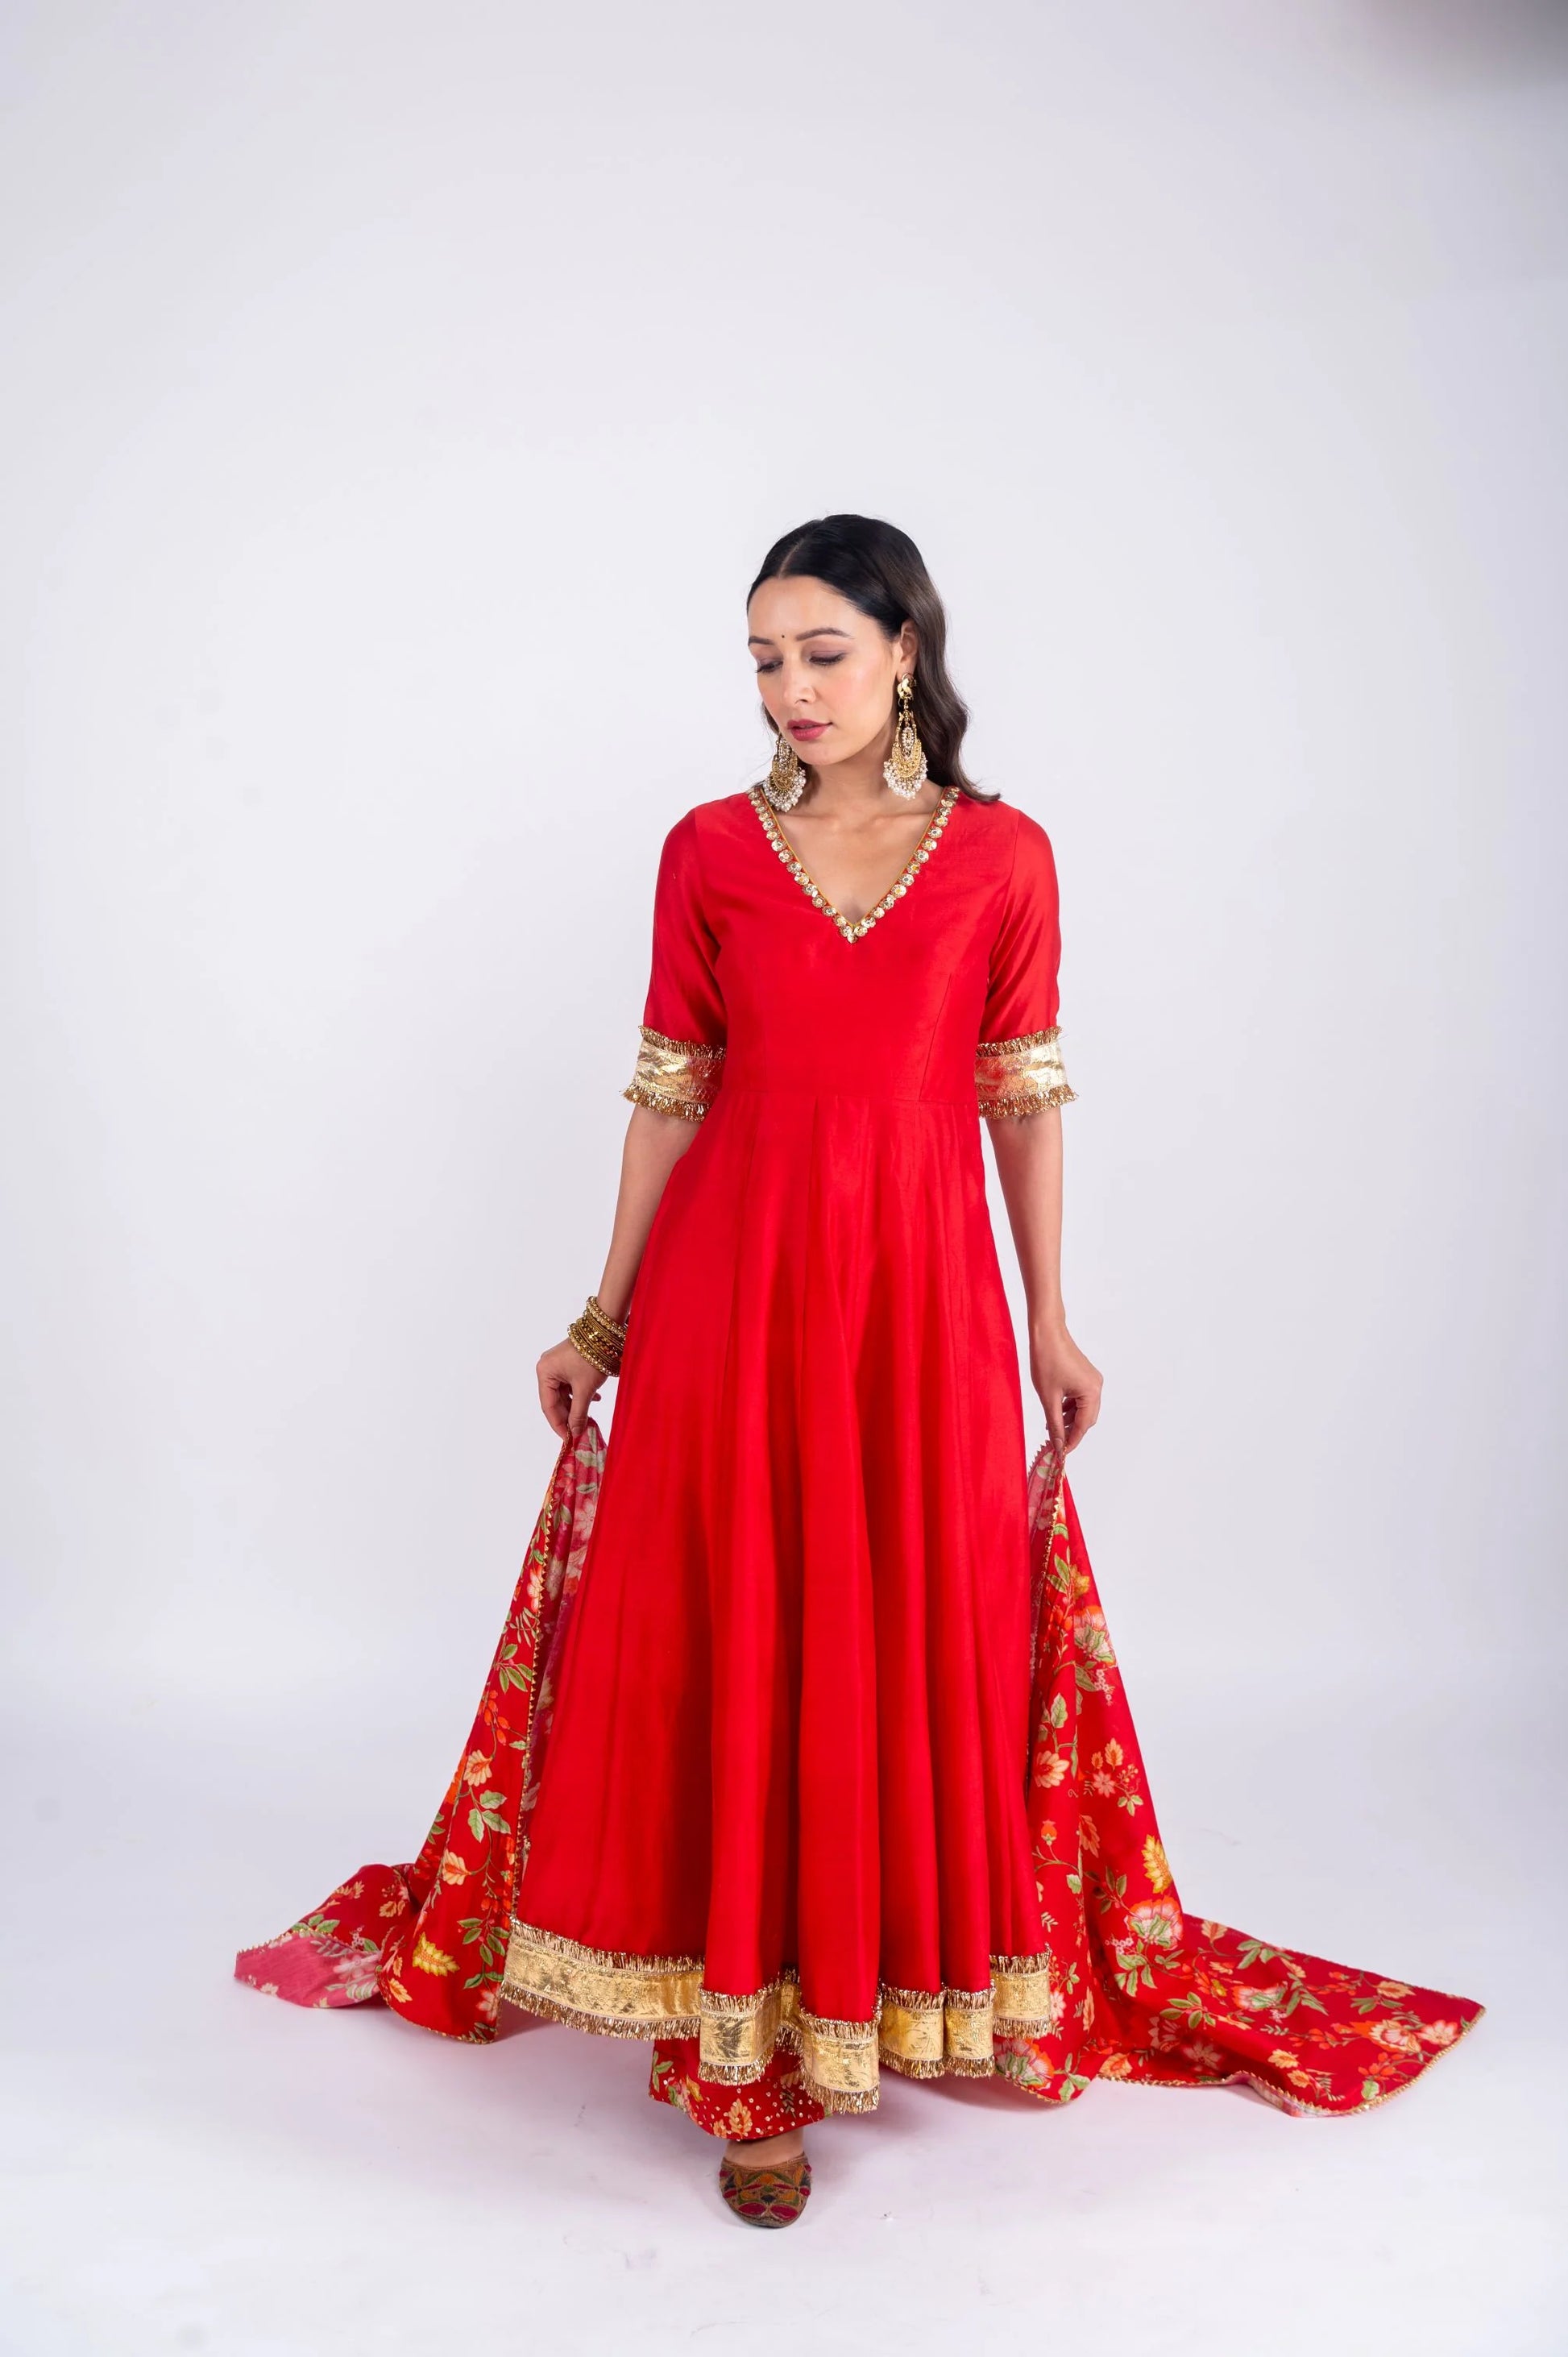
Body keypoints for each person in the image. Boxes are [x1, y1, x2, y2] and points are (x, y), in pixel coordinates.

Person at [236, 514, 1483, 2231]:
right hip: (728, 1297)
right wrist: (601, 1318)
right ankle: (743, 2062)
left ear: (906, 648)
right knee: (737, 1626)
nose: (791, 689)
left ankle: (876, 1997)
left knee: (897, 1628)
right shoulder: (705, 850)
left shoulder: (1002, 856)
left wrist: (1048, 1319)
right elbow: (668, 1091)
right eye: (764, 659)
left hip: (917, 1304)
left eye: (822, 651)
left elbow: (1021, 1096)